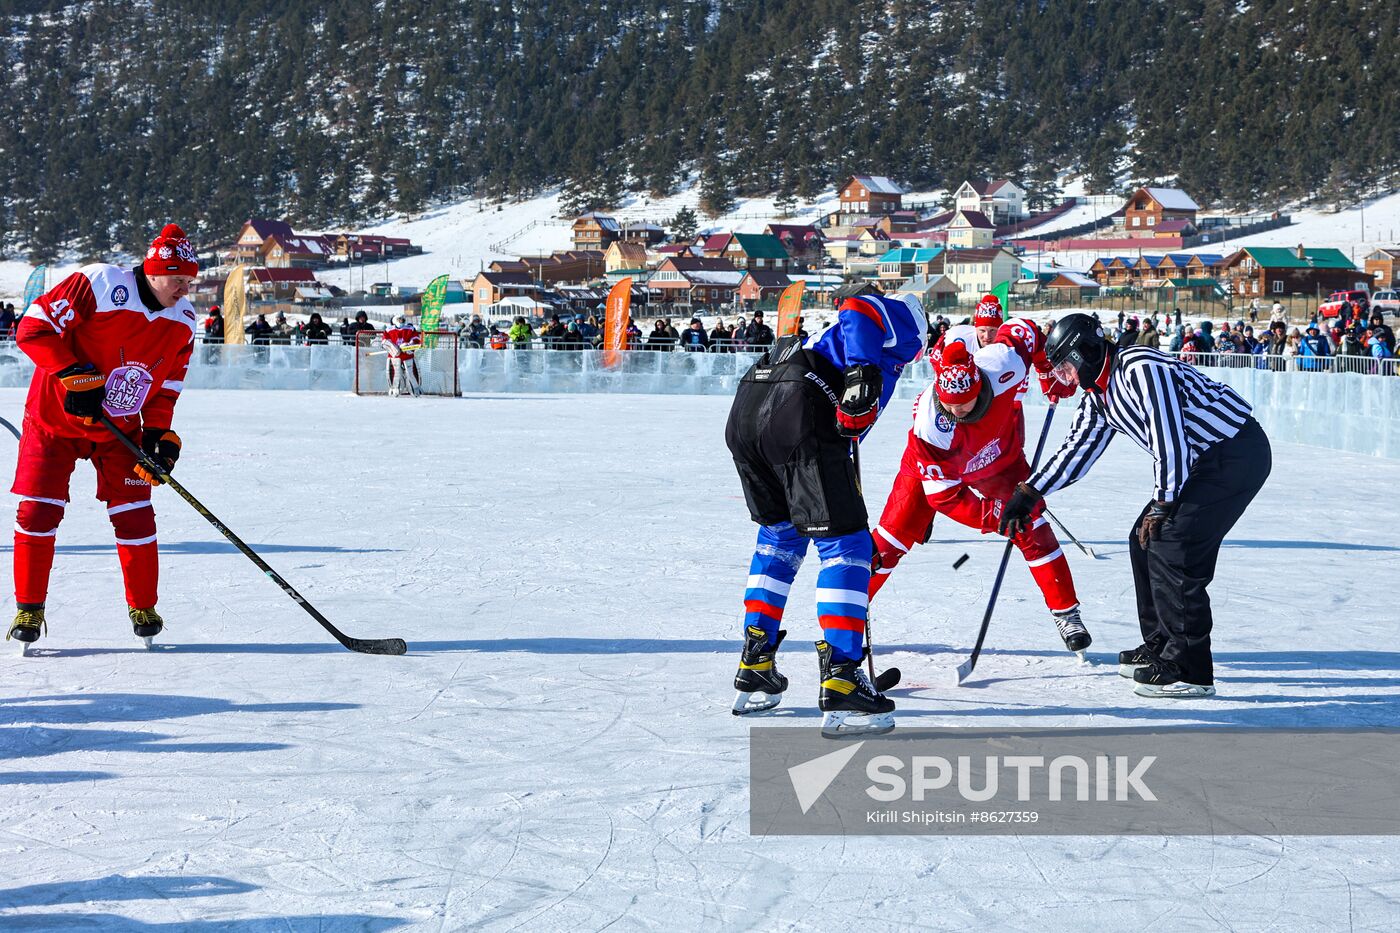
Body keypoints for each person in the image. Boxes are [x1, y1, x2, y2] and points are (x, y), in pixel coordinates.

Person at [998, 313, 1272, 698]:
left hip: (1234, 452)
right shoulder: (1099, 397)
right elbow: (1076, 452)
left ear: (1086, 352)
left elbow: (1169, 438)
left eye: (1065, 367)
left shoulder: (1139, 368)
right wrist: (1029, 494)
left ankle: (1189, 667)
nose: (1065, 379)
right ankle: (1162, 645)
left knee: (1172, 543)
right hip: (1197, 462)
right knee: (1142, 539)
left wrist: (1162, 504)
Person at [725, 289, 926, 735]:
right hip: (799, 408)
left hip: (751, 409)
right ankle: (842, 678)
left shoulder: (831, 343)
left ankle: (756, 661)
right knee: (847, 546)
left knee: (780, 540)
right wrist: (863, 372)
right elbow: (858, 305)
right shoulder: (905, 323)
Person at [7, 223, 199, 647]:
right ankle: (29, 608)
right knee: (38, 513)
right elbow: (32, 328)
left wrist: (159, 436)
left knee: (135, 512)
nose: (185, 289)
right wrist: (72, 374)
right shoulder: (99, 282)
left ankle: (143, 605)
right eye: (177, 279)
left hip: (119, 430)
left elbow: (164, 388)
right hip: (53, 421)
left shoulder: (183, 322)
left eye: (190, 281)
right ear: (153, 271)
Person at [867, 319, 1091, 656]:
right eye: (949, 405)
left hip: (1000, 459)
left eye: (964, 405)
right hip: (932, 471)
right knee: (888, 543)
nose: (956, 412)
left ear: (979, 389)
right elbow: (945, 497)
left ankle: (1067, 614)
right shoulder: (932, 424)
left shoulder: (1003, 363)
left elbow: (1026, 329)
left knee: (1033, 526)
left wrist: (1050, 372)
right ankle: (849, 616)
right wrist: (995, 516)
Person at [382, 314, 421, 397]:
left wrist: (409, 345)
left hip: (407, 356)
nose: (401, 321)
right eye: (399, 319)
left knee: (411, 373)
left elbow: (416, 339)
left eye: (402, 319)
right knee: (395, 373)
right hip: (394, 357)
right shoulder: (389, 330)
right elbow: (385, 341)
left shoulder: (410, 328)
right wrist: (393, 348)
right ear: (395, 320)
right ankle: (394, 389)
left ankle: (415, 389)